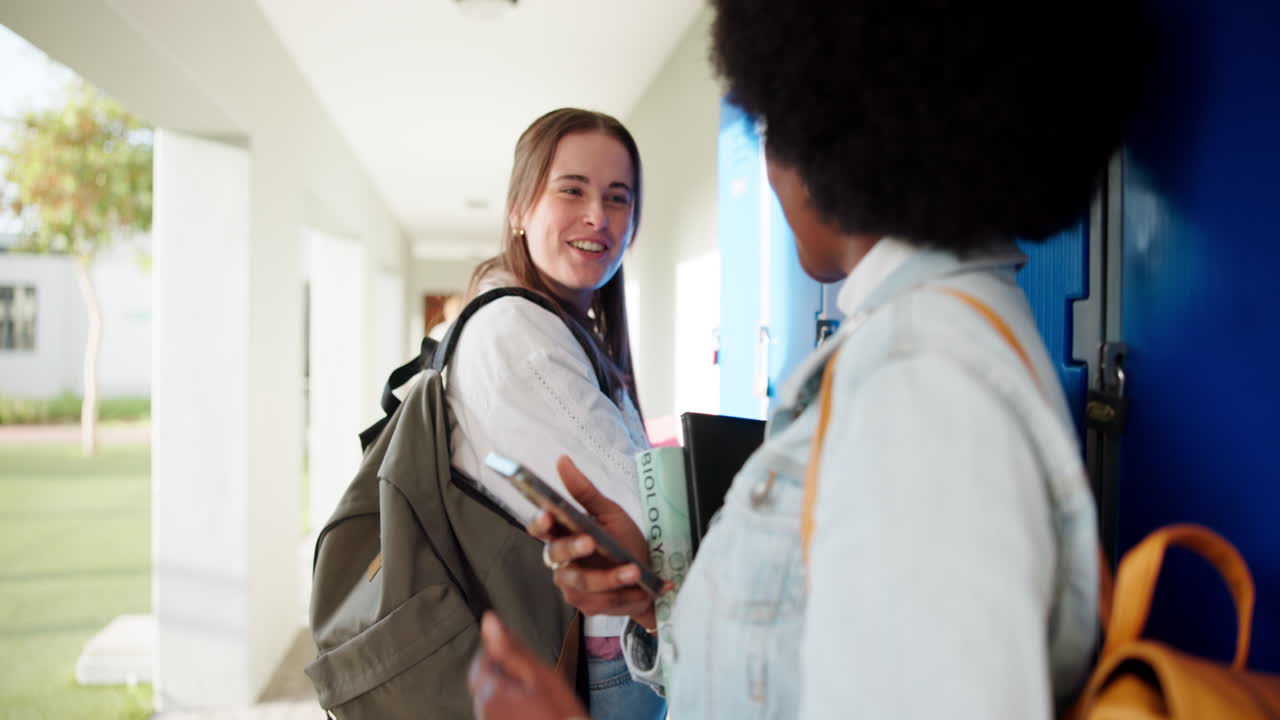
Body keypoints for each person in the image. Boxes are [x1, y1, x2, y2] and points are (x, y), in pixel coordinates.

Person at [467, 1, 1149, 718]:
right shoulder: (913, 356)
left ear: (837, 136)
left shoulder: (926, 392)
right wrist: (652, 598)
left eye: (772, 126)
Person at [446, 108, 666, 720]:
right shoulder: (517, 331)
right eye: (572, 189)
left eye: (617, 198)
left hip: (607, 650)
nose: (598, 216)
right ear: (519, 209)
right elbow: (634, 515)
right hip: (599, 660)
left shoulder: (560, 327)